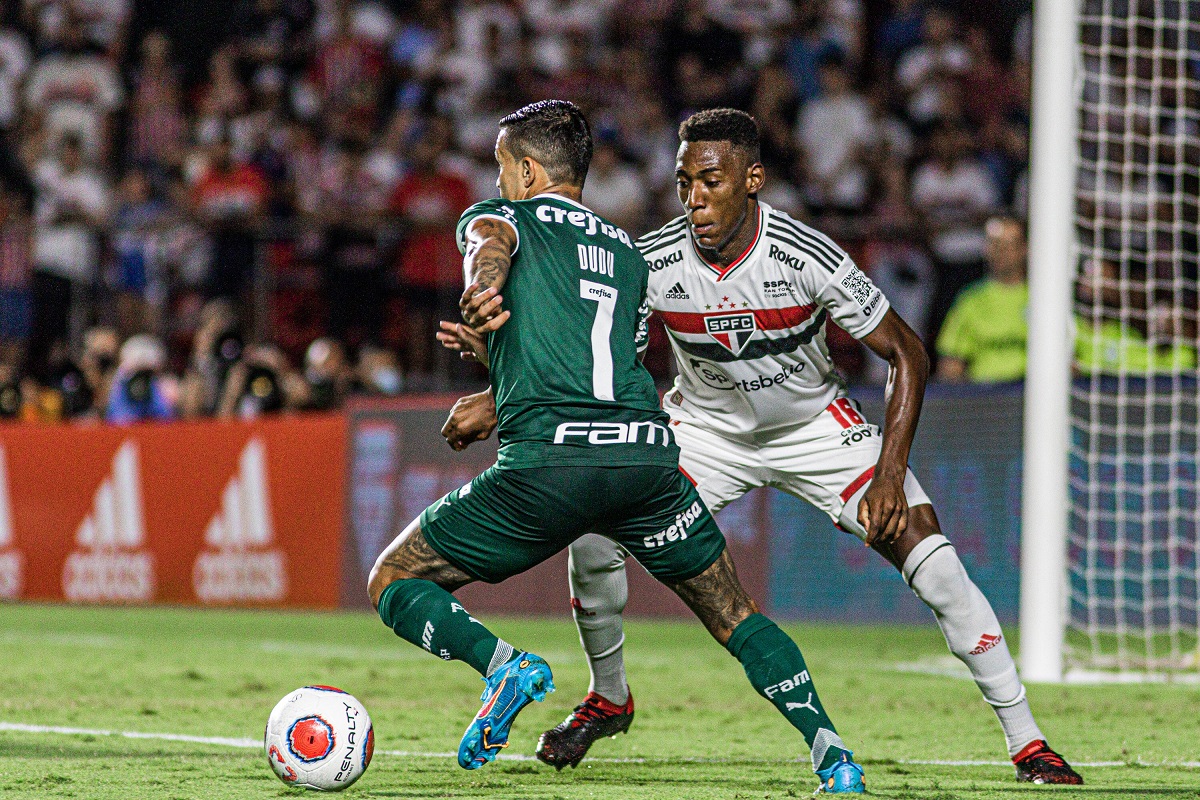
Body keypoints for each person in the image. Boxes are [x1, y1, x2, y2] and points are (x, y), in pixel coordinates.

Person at [446, 109, 1082, 786]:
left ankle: (1028, 742)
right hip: (706, 431)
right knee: (595, 537)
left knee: (938, 568)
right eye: (685, 182)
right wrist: (499, 396)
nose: (695, 199)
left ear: (753, 180)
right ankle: (609, 696)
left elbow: (907, 353)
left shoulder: (805, 255)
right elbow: (601, 358)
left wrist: (890, 474)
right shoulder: (652, 261)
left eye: (711, 181)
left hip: (816, 429)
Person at [369, 100, 867, 794]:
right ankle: (833, 753)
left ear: (526, 167)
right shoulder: (629, 254)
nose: (499, 179)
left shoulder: (502, 214)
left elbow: (491, 249)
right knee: (734, 613)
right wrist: (496, 369)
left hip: (550, 464)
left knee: (394, 580)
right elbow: (592, 358)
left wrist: (480, 290)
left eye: (501, 166)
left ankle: (503, 665)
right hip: (646, 462)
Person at [935, 216, 1029, 383]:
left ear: (1024, 249)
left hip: (1036, 397)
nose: (1000, 252)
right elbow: (950, 364)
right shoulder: (970, 300)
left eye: (1008, 245)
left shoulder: (1044, 300)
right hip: (986, 398)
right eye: (994, 244)